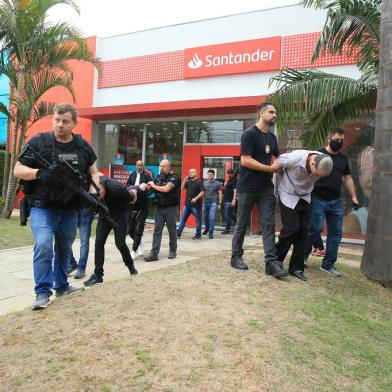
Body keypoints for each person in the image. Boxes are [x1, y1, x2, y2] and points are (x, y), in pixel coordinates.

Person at [14, 103, 100, 310]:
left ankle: (61, 285)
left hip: (70, 209)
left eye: (65, 121)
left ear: (74, 123)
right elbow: (18, 169)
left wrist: (94, 190)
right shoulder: (39, 142)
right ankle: (42, 292)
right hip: (42, 207)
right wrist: (39, 173)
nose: (60, 125)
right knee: (44, 245)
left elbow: (93, 171)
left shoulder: (82, 146)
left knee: (64, 248)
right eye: (57, 120)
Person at [230, 102, 287, 278]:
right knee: (241, 223)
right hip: (247, 187)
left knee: (269, 224)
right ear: (261, 113)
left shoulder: (272, 138)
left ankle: (271, 263)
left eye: (275, 112)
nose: (274, 115)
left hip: (265, 188)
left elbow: (277, 155)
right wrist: (270, 169)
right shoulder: (249, 134)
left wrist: (280, 163)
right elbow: (245, 160)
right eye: (271, 112)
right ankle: (236, 257)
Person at [305, 128, 359, 276]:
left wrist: (354, 196)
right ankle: (302, 256)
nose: (339, 143)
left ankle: (328, 264)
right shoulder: (318, 155)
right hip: (317, 199)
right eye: (336, 140)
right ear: (329, 138)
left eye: (341, 140)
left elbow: (347, 178)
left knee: (336, 233)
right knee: (314, 228)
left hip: (335, 202)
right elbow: (307, 174)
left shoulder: (343, 158)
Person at [273, 151, 333, 281]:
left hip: (305, 197)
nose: (316, 176)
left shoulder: (324, 162)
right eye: (316, 173)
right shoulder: (294, 158)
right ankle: (275, 262)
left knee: (304, 233)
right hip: (288, 194)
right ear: (312, 162)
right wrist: (284, 177)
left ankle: (296, 267)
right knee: (292, 229)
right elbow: (277, 164)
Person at [84, 176, 138, 286]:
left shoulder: (116, 188)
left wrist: (134, 192)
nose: (99, 196)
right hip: (105, 214)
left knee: (120, 244)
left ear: (103, 187)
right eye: (96, 194)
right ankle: (98, 275)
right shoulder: (91, 188)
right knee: (98, 242)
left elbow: (132, 198)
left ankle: (131, 267)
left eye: (100, 192)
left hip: (120, 215)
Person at [144, 159, 180, 261]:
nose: (162, 168)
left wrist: (153, 185)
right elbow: (151, 189)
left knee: (172, 231)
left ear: (169, 167)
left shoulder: (174, 177)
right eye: (160, 166)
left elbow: (166, 189)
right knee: (157, 231)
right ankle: (154, 253)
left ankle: (173, 251)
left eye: (164, 166)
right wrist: (145, 186)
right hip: (160, 208)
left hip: (171, 208)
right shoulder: (158, 178)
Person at [127, 160, 152, 257]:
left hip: (142, 206)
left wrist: (145, 188)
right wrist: (136, 187)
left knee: (138, 229)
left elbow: (150, 187)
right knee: (130, 230)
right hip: (132, 205)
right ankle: (139, 243)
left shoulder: (147, 175)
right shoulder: (132, 174)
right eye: (138, 165)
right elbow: (128, 186)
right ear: (135, 166)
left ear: (143, 166)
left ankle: (133, 250)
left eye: (141, 165)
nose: (139, 167)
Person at [67, 206, 95, 279]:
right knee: (65, 240)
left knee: (84, 240)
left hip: (86, 208)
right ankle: (71, 263)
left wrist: (95, 193)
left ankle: (81, 267)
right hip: (72, 208)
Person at [176, 168, 205, 240]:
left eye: (192, 172)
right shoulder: (188, 181)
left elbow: (202, 192)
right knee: (183, 220)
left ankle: (198, 235)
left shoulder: (199, 182)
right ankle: (178, 234)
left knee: (198, 220)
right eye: (189, 172)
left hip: (196, 205)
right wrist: (184, 181)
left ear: (196, 173)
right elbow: (182, 189)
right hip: (187, 205)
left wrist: (195, 199)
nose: (190, 173)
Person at [202, 169, 222, 239]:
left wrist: (219, 203)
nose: (210, 176)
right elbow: (202, 193)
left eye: (211, 174)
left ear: (214, 175)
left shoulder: (218, 183)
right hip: (205, 202)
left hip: (214, 202)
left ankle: (210, 232)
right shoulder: (205, 183)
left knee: (212, 217)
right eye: (209, 174)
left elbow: (220, 193)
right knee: (205, 218)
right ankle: (206, 229)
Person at [222, 168, 237, 234]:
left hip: (230, 201)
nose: (229, 175)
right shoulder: (229, 181)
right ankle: (237, 222)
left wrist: (234, 200)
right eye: (228, 173)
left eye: (230, 174)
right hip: (225, 200)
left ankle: (227, 229)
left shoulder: (235, 181)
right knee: (229, 214)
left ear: (233, 174)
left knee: (227, 215)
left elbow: (235, 191)